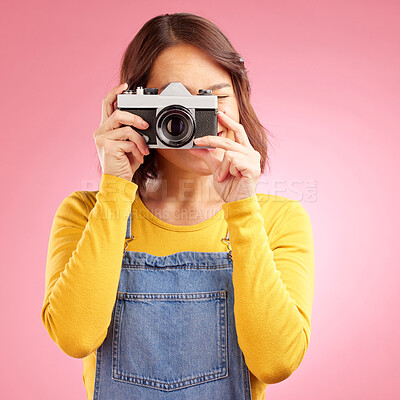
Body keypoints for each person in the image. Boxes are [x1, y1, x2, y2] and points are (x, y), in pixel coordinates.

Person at [41, 12, 315, 400]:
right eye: (176, 103)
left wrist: (241, 208)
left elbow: (275, 362)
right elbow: (74, 337)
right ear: (134, 109)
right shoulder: (87, 212)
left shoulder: (278, 220)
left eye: (214, 98)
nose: (193, 118)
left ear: (240, 101)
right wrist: (116, 187)